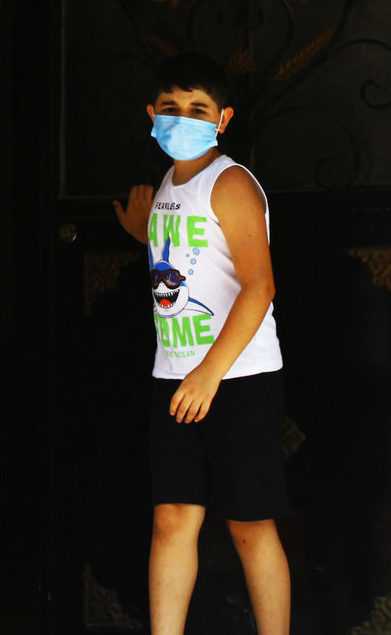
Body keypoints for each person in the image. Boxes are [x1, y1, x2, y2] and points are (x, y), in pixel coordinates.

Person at [112, 53, 290, 635]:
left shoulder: (230, 183)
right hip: (176, 375)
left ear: (223, 118)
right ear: (152, 114)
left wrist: (209, 375)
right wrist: (144, 233)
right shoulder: (170, 182)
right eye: (171, 108)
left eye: (197, 109)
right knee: (172, 520)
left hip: (237, 378)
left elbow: (259, 286)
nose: (182, 118)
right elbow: (191, 260)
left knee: (250, 524)